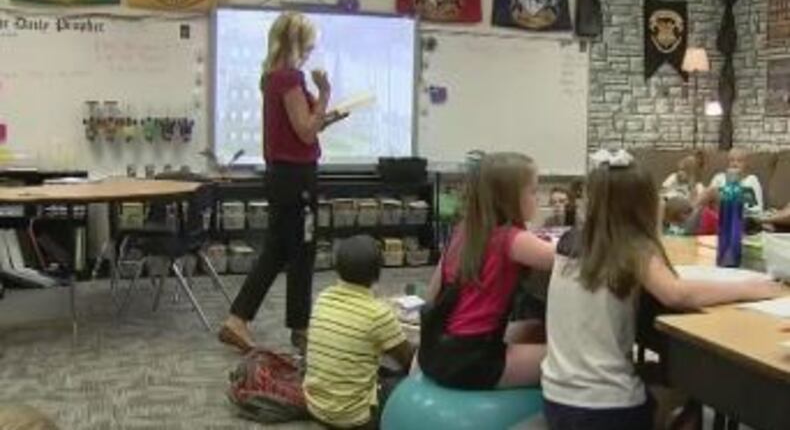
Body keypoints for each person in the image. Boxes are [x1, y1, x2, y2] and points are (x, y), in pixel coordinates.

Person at [541, 149, 783, 430]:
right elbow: (676, 293)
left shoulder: (568, 242)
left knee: (657, 370)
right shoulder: (632, 246)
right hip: (604, 410)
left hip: (556, 398)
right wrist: (752, 288)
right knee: (693, 388)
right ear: (642, 204)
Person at [220, 12, 348, 353]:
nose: (310, 50)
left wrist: (324, 114)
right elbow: (306, 131)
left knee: (277, 250)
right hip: (296, 177)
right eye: (307, 43)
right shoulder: (289, 78)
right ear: (296, 42)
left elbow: (301, 128)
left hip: (284, 174)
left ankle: (238, 319)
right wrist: (325, 93)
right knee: (302, 251)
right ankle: (300, 329)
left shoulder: (273, 76)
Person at [417, 152, 555, 390]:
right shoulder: (512, 239)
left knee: (535, 327)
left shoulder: (464, 231)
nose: (538, 197)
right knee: (570, 360)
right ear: (511, 198)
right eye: (533, 191)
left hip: (435, 351)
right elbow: (563, 256)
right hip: (472, 361)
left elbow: (431, 296)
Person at [303, 235, 413, 429]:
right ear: (377, 273)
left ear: (337, 269)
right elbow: (407, 360)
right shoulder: (378, 313)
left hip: (315, 407)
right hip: (354, 418)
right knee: (406, 386)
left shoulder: (323, 298)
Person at [707, 147, 764, 214]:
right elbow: (708, 201)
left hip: (740, 213)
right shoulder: (719, 177)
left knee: (712, 192)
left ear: (746, 164)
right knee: (699, 187)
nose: (735, 164)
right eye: (732, 160)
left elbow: (758, 208)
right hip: (716, 212)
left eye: (739, 161)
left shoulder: (751, 180)